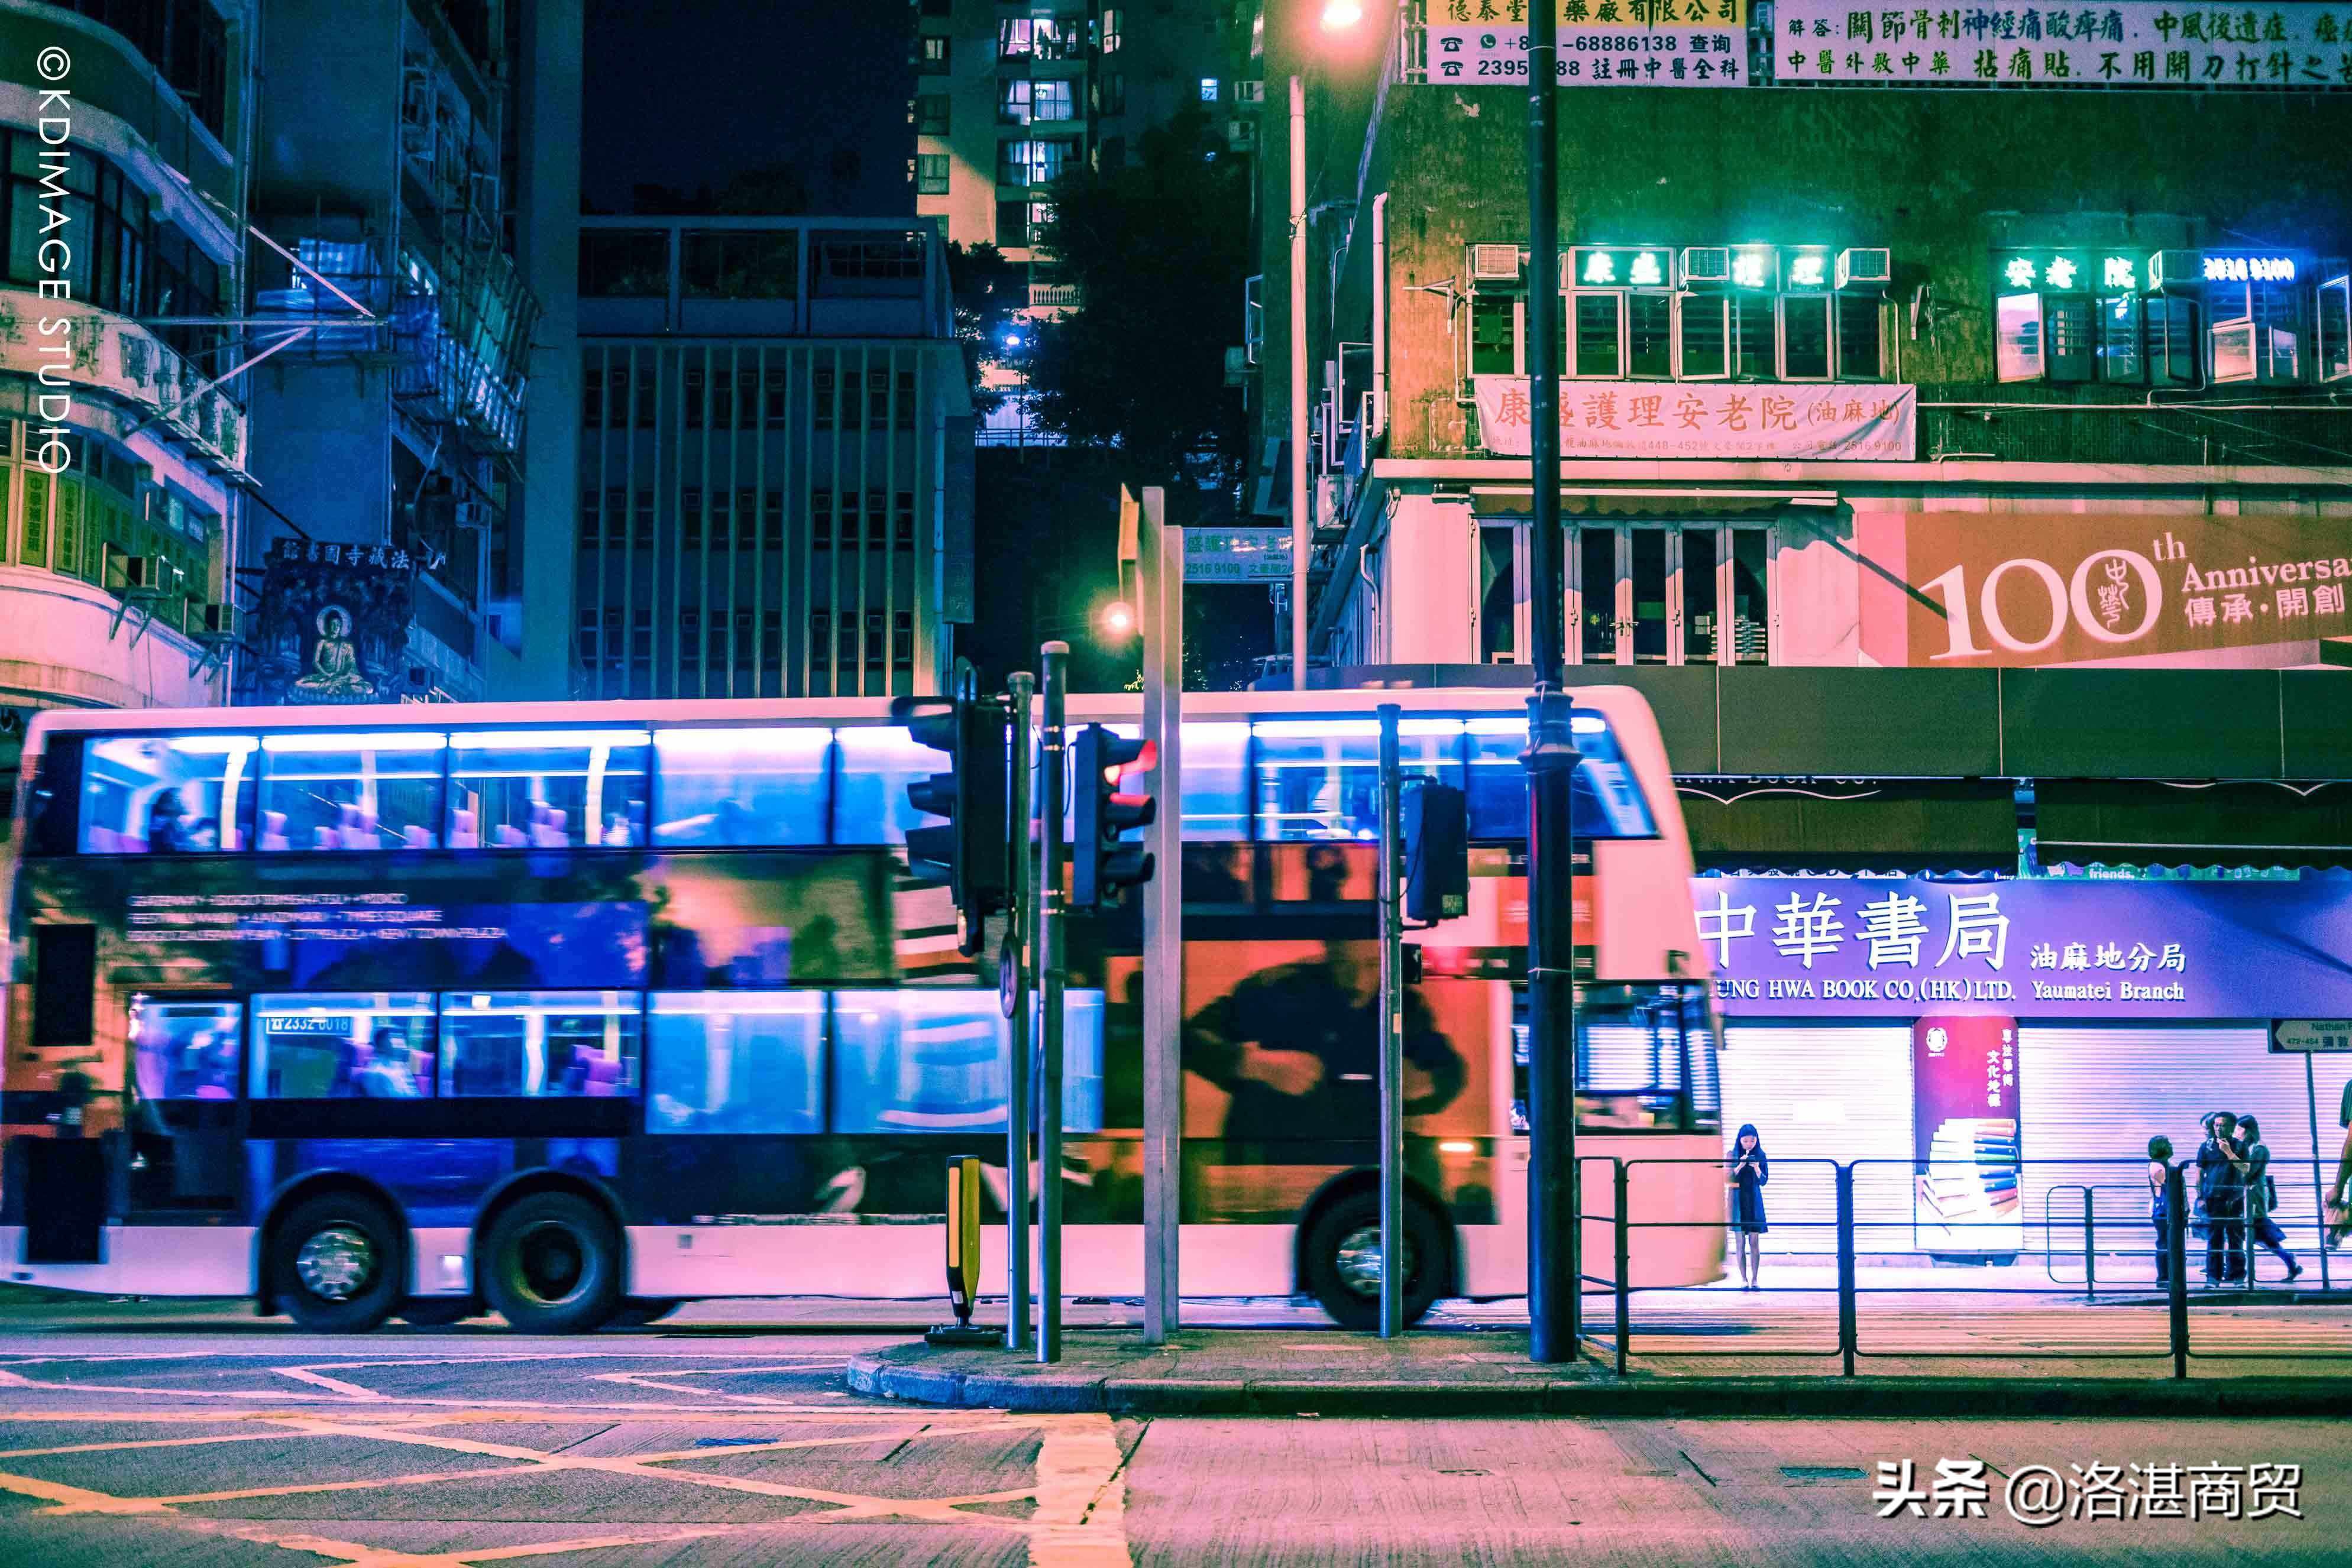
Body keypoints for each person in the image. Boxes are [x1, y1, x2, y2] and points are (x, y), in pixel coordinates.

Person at [2233, 1115, 2303, 1283]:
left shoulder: (2259, 1149)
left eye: (2239, 1130)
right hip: (2250, 1196)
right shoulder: (2252, 1147)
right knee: (2256, 1234)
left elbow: (2249, 1172)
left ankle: (2289, 1260)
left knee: (2257, 1231)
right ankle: (2289, 1261)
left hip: (2254, 1197)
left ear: (2248, 1131)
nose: (2237, 1134)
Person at [2195, 1111, 2246, 1286]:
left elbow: (2245, 1169)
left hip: (2234, 1199)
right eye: (2216, 1125)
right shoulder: (2206, 1146)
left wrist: (2228, 1152)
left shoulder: (2239, 1146)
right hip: (2213, 1199)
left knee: (2235, 1238)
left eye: (2222, 1125)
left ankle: (2237, 1276)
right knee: (2214, 1239)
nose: (2218, 1128)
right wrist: (2200, 1196)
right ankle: (2213, 1277)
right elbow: (2199, 1173)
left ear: (2232, 1127)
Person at [1727, 1124, 1769, 1290]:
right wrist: (1740, 1165)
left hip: (1754, 1201)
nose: (1749, 1144)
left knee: (1754, 1242)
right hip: (1738, 1202)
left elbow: (1764, 1181)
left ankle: (1755, 1279)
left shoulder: (1761, 1155)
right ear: (1740, 1140)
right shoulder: (1732, 1155)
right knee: (1740, 1243)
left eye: (1752, 1141)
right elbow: (1728, 1179)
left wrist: (1757, 1168)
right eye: (1745, 1141)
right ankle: (1744, 1280)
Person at [2146, 1135, 2176, 1287]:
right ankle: (2164, 1278)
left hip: (2171, 1209)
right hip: (2163, 1211)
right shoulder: (2156, 1166)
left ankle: (2171, 1276)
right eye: (2167, 1144)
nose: (2171, 1146)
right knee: (2165, 1243)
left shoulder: (2166, 1164)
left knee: (2171, 1243)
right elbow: (2168, 1182)